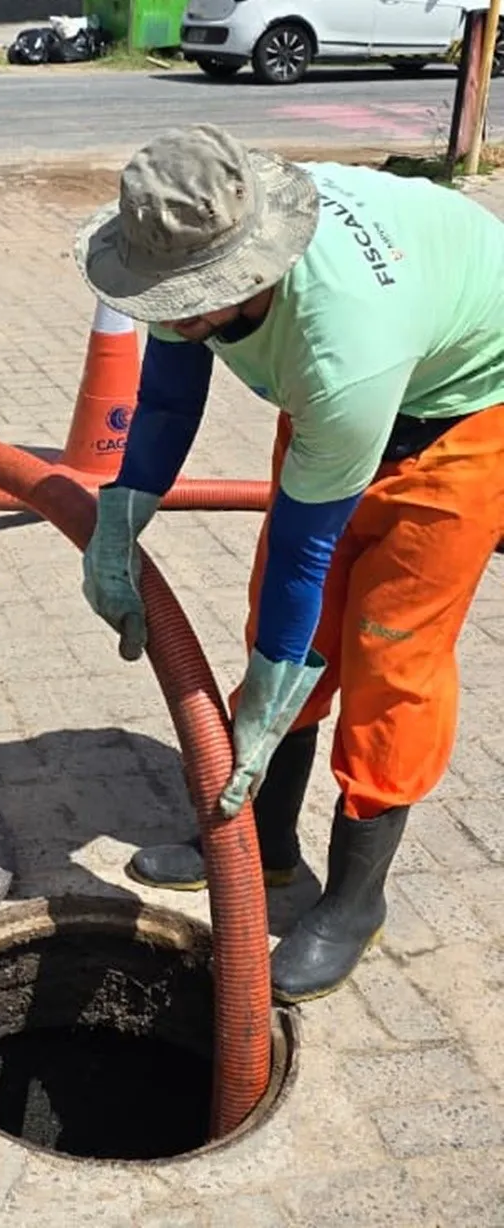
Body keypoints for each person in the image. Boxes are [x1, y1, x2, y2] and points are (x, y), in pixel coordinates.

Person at [75, 124, 504, 1004]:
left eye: (187, 304)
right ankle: (264, 846)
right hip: (351, 405)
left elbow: (306, 554)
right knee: (282, 632)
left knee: (390, 663)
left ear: (246, 276)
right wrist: (119, 519)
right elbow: (167, 399)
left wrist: (271, 692)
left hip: (460, 424)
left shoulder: (342, 348)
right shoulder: (196, 233)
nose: (170, 315)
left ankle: (355, 902)